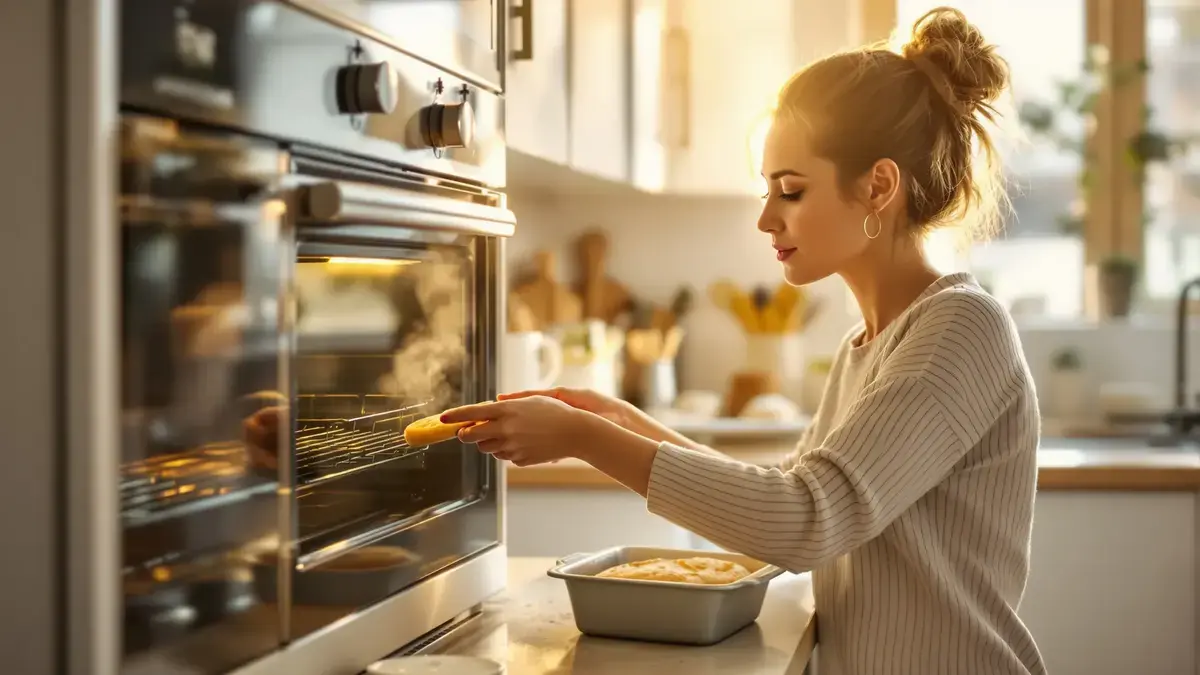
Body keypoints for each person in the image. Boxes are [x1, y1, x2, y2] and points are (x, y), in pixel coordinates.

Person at [444, 7, 1046, 675]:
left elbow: (805, 522)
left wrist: (587, 440)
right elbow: (787, 495)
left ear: (878, 187)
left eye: (789, 190)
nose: (766, 217)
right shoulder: (869, 343)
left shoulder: (960, 329)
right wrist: (620, 420)